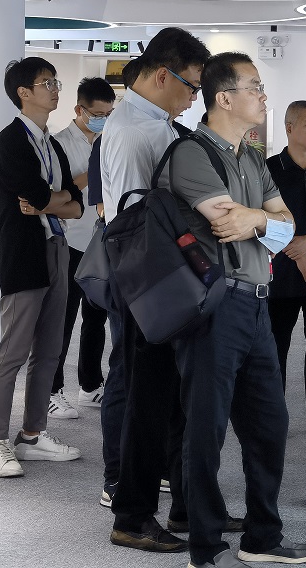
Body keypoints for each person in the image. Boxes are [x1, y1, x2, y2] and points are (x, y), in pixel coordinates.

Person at [169, 51, 306, 568]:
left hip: (257, 303)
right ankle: (205, 545)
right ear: (224, 98)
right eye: (254, 87)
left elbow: (284, 227)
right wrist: (264, 221)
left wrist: (256, 220)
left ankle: (261, 538)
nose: (263, 95)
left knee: (269, 424)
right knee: (206, 428)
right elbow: (226, 222)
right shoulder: (191, 154)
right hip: (215, 304)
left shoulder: (253, 157)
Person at [100, 28, 208, 551]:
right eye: (192, 87)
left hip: (164, 278)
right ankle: (132, 514)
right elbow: (132, 222)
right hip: (147, 281)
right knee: (143, 398)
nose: (194, 99)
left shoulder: (158, 123)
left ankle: (183, 505)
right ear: (163, 75)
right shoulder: (129, 131)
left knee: (173, 397)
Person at [0, 58, 83, 478]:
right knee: (13, 352)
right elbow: (38, 197)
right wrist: (55, 200)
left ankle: (33, 433)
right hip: (24, 254)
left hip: (57, 247)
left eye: (55, 81)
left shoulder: (51, 144)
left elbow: (75, 204)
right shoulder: (11, 140)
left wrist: (52, 202)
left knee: (50, 349)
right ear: (24, 93)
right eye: (47, 83)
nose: (55, 88)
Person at [48, 77, 116, 420]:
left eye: (109, 114)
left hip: (101, 239)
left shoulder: (111, 140)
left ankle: (90, 385)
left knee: (96, 317)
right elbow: (58, 191)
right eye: (98, 114)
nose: (104, 120)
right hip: (70, 241)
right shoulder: (59, 143)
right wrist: (95, 170)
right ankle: (51, 390)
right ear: (80, 110)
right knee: (62, 319)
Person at [265, 101, 306, 419]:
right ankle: (273, 418)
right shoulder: (269, 169)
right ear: (289, 128)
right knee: (275, 349)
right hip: (281, 274)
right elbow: (261, 220)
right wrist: (298, 253)